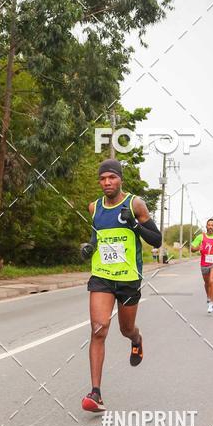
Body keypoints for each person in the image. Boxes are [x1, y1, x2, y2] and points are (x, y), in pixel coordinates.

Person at [80, 159, 162, 411]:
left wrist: (135, 225)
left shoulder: (135, 203)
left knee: (125, 329)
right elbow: (97, 236)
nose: (107, 182)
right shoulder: (94, 207)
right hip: (102, 275)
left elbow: (156, 240)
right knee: (99, 329)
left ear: (120, 179)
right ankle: (95, 393)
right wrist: (89, 247)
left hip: (128, 278)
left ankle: (136, 340)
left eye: (111, 178)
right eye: (103, 178)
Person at [190, 218, 213, 314]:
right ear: (206, 226)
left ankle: (211, 302)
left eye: (212, 225)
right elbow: (192, 249)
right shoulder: (200, 237)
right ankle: (208, 297)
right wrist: (198, 247)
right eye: (209, 225)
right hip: (204, 263)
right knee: (207, 283)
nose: (210, 227)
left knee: (212, 280)